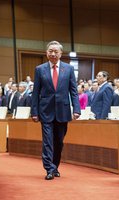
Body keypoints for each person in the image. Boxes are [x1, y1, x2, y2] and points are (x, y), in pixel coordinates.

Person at [31, 41, 80, 180]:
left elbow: (73, 91)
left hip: (63, 111)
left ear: (60, 54)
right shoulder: (40, 69)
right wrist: (34, 112)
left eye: (55, 51)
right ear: (46, 53)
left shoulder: (69, 69)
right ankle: (49, 168)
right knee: (47, 141)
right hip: (45, 111)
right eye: (50, 51)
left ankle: (55, 166)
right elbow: (36, 92)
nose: (53, 54)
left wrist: (76, 109)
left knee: (59, 141)